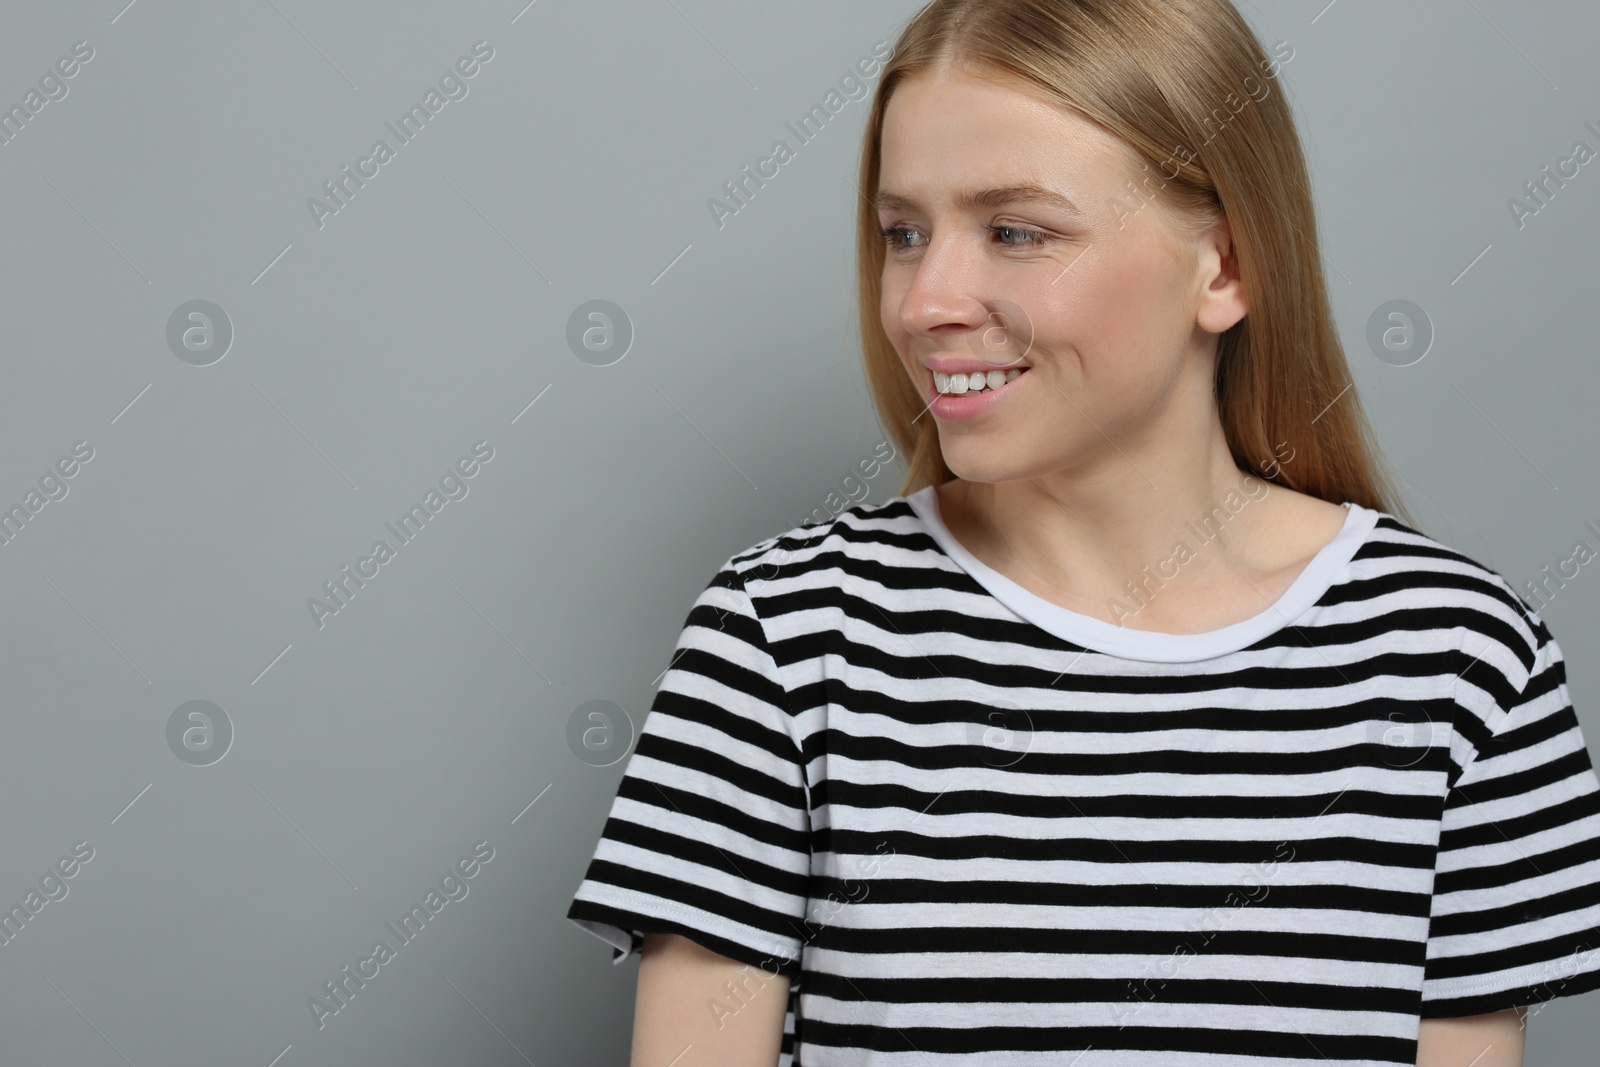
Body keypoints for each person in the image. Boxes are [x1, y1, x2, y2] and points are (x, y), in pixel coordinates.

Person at [566, 0, 1600, 1063]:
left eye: (1016, 230)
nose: (927, 300)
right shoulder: (781, 641)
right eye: (902, 233)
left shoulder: (1461, 664)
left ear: (1225, 268)